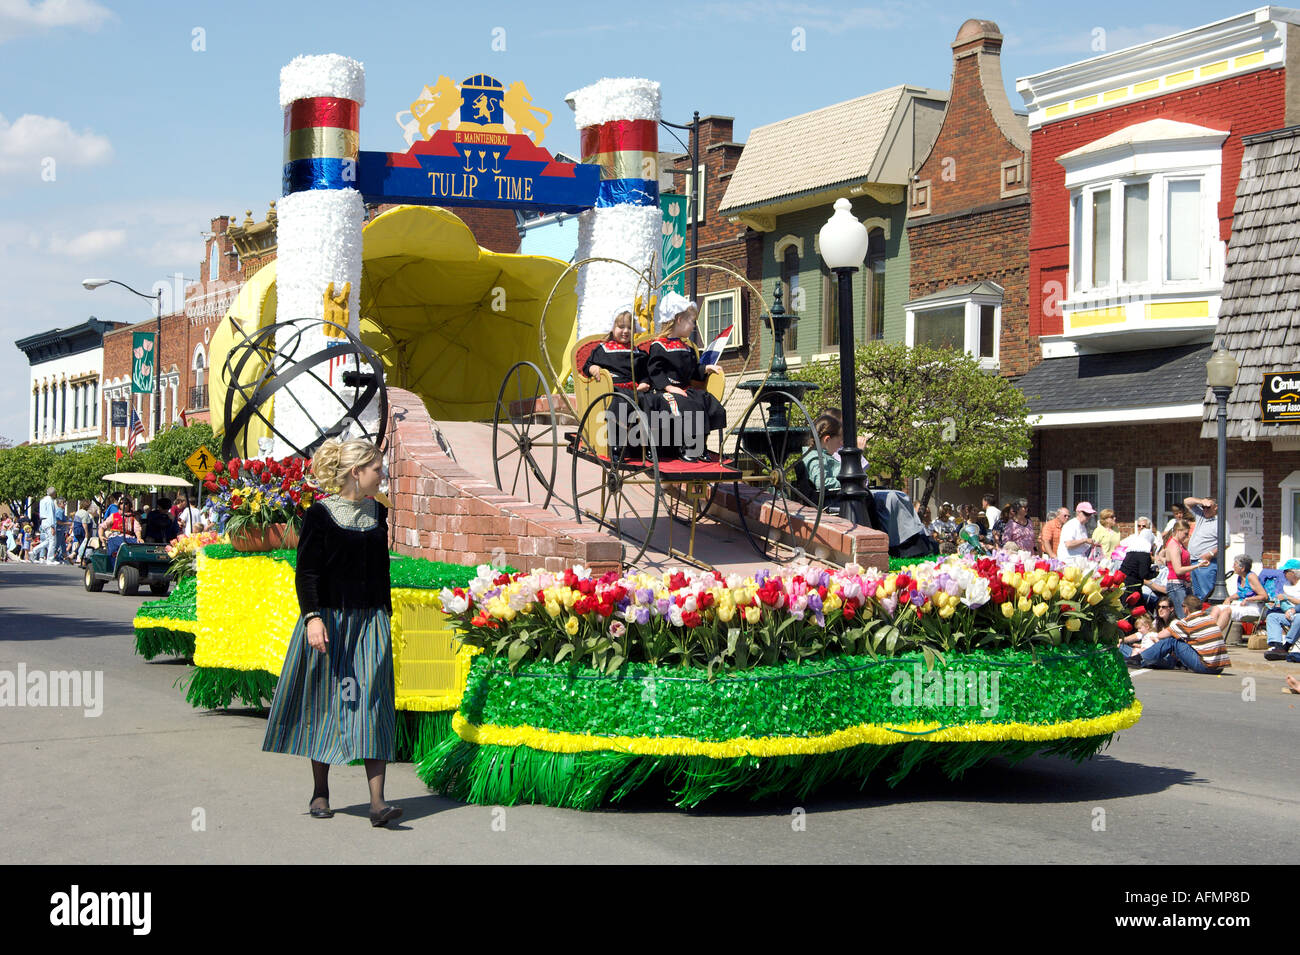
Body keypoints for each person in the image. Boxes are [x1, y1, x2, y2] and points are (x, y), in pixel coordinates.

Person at [262, 437, 402, 828]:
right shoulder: (319, 515)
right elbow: (306, 572)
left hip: (370, 621)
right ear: (357, 472)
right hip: (328, 620)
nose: (383, 474)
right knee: (325, 703)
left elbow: (382, 571)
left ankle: (377, 803)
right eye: (377, 468)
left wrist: (384, 618)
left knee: (373, 703)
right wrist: (312, 619)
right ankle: (320, 791)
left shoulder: (379, 512)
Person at [648, 293, 726, 462]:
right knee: (686, 404)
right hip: (665, 391)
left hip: (685, 389)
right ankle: (686, 446)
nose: (693, 326)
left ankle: (700, 444)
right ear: (679, 320)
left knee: (705, 400)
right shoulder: (659, 346)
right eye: (691, 321)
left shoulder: (687, 347)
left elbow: (692, 371)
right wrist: (668, 387)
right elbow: (655, 371)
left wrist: (705, 368)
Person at [1128, 595, 1230, 673]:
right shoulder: (1209, 618)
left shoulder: (1188, 622)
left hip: (1206, 666)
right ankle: (1141, 657)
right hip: (1219, 667)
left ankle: (1141, 658)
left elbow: (1161, 635)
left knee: (1172, 641)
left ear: (1186, 608)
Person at [583, 306, 651, 392]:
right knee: (621, 404)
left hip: (633, 392)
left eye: (630, 328)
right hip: (609, 391)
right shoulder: (602, 350)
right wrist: (593, 368)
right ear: (613, 328)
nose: (626, 331)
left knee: (651, 401)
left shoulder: (638, 354)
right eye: (621, 327)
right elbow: (587, 366)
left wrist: (643, 383)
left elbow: (644, 373)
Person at [1208, 554, 1269, 634]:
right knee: (1216, 608)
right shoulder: (1240, 577)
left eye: (1235, 565)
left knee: (1227, 611)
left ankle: (1214, 635)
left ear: (1242, 568)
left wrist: (1248, 599)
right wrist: (1229, 598)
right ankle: (1208, 633)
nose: (1233, 567)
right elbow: (1241, 593)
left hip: (1254, 607)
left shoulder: (1251, 577)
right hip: (1242, 605)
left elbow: (1264, 596)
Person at [801, 413, 842, 507]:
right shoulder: (815, 457)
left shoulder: (821, 455)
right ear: (827, 439)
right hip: (832, 502)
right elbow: (821, 482)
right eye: (839, 441)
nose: (841, 444)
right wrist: (847, 482)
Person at [1185, 496, 1221, 601]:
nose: (1205, 509)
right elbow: (1186, 502)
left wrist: (1209, 554)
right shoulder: (1200, 516)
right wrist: (1201, 501)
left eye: (1208, 507)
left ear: (1215, 507)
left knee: (1206, 594)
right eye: (1203, 507)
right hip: (1193, 562)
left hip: (1207, 563)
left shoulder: (1220, 522)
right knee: (1197, 595)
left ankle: (1208, 615)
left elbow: (1225, 543)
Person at [1263, 558, 1300, 661]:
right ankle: (1277, 646)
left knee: (1299, 618)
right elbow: (1285, 602)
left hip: (1298, 614)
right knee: (1272, 616)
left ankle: (1286, 646)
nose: (1283, 574)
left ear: (1293, 572)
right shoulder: (1286, 585)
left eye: (1285, 571)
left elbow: (1290, 600)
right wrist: (1283, 606)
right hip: (1290, 613)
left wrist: (1292, 607)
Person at [1162, 521, 1193, 619]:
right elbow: (1178, 570)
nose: (1187, 536)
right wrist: (1197, 566)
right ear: (1178, 531)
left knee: (1188, 616)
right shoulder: (1173, 544)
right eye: (1185, 533)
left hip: (1183, 584)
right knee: (1182, 617)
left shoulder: (1179, 544)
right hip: (1176, 585)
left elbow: (1163, 556)